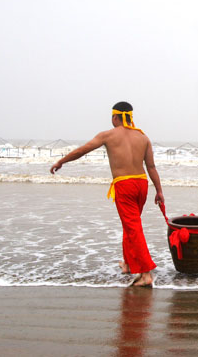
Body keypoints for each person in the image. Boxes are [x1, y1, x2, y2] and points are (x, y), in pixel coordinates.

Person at [50, 101, 164, 287]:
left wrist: (61, 161)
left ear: (115, 117)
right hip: (142, 184)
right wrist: (159, 190)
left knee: (133, 227)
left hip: (124, 185)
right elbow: (151, 166)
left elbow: (82, 150)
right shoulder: (143, 137)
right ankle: (128, 263)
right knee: (131, 224)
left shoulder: (108, 135)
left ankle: (145, 273)